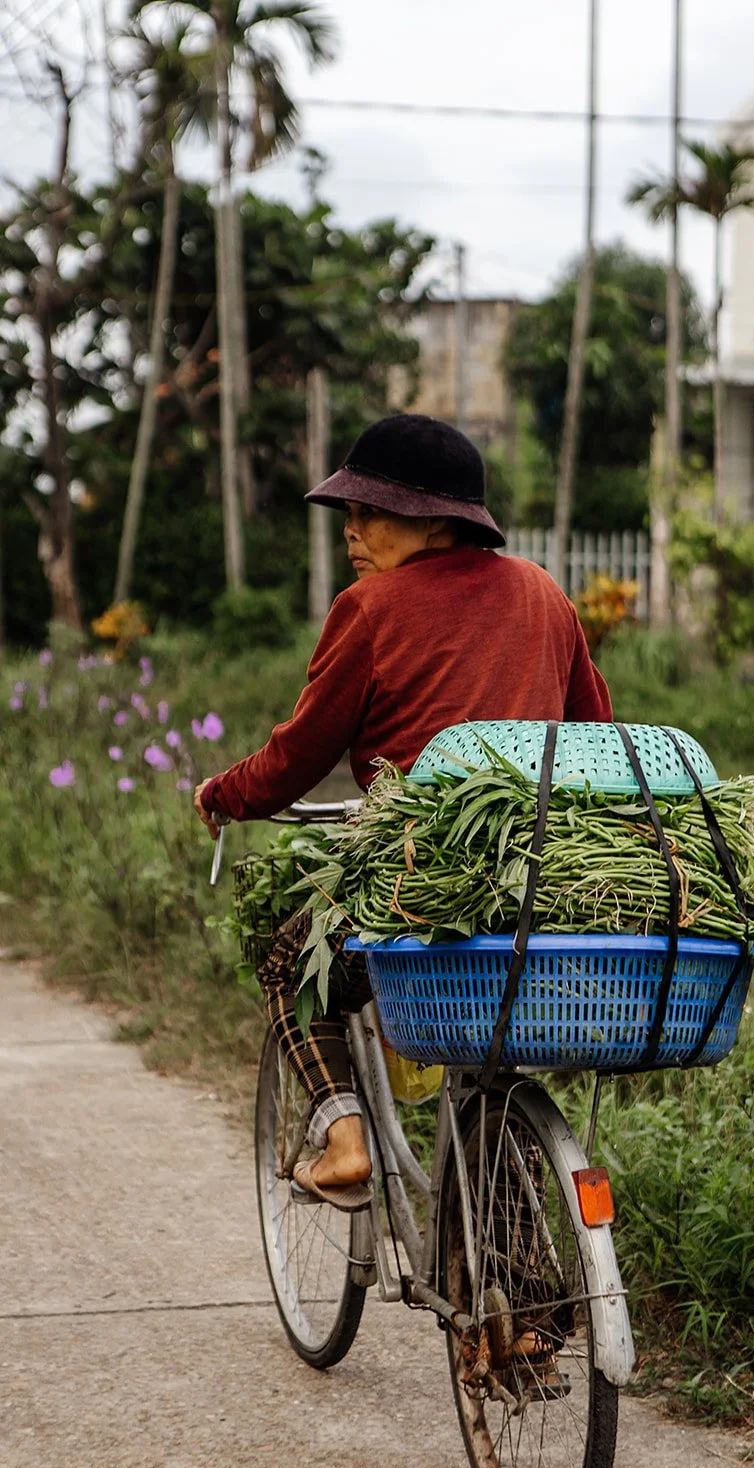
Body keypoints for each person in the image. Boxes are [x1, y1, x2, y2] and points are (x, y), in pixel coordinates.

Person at [194, 413, 612, 1209]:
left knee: (290, 962)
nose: (351, 531)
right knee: (493, 1064)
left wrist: (225, 794)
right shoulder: (542, 593)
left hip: (417, 876)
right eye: (350, 514)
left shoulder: (371, 608)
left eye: (370, 512)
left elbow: (296, 757)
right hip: (540, 878)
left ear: (432, 520)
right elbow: (599, 740)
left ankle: (345, 1142)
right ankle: (514, 1317)